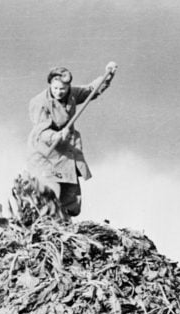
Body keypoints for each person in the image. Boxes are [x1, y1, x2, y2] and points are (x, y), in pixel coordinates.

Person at [26, 66, 113, 218]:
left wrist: (108, 75)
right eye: (56, 88)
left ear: (68, 87)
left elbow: (91, 90)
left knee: (70, 197)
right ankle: (44, 224)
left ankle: (64, 225)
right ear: (50, 85)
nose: (59, 92)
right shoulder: (39, 103)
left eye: (63, 89)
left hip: (65, 153)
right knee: (49, 192)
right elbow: (40, 132)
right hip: (46, 152)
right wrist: (57, 135)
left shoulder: (72, 94)